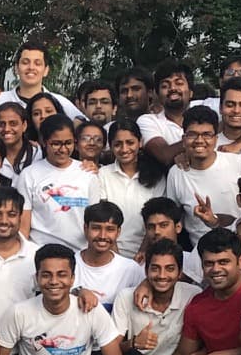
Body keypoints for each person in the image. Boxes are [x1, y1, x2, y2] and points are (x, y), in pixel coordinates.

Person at [166, 106, 241, 240]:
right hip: (198, 254)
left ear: (216, 139)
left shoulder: (239, 163)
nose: (199, 140)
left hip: (239, 247)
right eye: (192, 134)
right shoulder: (176, 172)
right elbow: (171, 219)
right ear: (183, 139)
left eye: (206, 134)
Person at [15, 115, 97, 251]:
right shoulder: (29, 175)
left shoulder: (88, 174)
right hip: (40, 253)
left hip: (80, 254)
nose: (63, 149)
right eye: (56, 144)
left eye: (68, 143)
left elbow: (95, 222)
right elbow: (23, 226)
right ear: (44, 142)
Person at [94, 122, 167, 258]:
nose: (124, 149)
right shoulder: (103, 174)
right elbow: (103, 217)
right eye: (118, 144)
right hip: (109, 252)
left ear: (140, 143)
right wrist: (116, 257)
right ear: (110, 146)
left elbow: (157, 217)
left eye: (130, 142)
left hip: (147, 254)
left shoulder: (156, 176)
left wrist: (143, 251)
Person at [74, 202, 144, 309]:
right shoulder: (70, 264)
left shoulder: (132, 269)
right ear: (85, 228)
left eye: (110, 229)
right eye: (96, 228)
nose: (102, 236)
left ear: (118, 232)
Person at [0, 40, 79, 119]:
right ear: (16, 68)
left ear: (46, 70)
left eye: (37, 63)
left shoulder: (61, 103)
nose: (31, 67)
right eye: (25, 62)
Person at [137, 61, 196, 167]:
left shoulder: (207, 109)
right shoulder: (149, 121)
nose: (172, 88)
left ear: (191, 91)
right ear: (158, 95)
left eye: (179, 83)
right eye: (165, 86)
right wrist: (202, 138)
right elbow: (164, 155)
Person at [0, 101, 38, 180]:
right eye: (1, 124)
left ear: (24, 125)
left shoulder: (38, 155)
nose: (6, 129)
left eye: (13, 123)